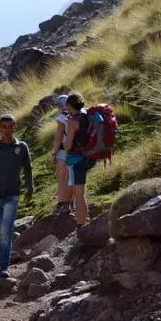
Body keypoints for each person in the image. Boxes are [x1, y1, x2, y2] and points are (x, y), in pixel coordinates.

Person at [0, 113, 35, 279]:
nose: (7, 130)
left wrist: (29, 188)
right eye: (4, 127)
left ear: (15, 127)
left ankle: (3, 269)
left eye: (10, 126)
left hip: (12, 195)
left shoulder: (22, 147)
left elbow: (28, 169)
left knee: (6, 231)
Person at [63, 92, 94, 227]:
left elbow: (68, 144)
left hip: (76, 159)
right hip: (88, 156)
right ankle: (82, 221)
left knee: (79, 193)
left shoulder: (72, 121)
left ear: (69, 105)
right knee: (79, 191)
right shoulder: (86, 115)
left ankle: (81, 224)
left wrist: (64, 145)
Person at [50, 94, 72, 213]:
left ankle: (62, 203)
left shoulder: (62, 117)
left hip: (65, 149)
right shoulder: (81, 113)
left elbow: (58, 137)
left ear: (59, 106)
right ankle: (73, 202)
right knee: (73, 177)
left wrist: (54, 153)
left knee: (62, 177)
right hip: (80, 150)